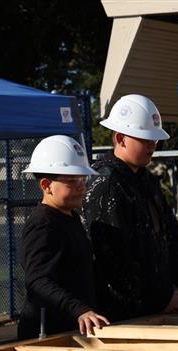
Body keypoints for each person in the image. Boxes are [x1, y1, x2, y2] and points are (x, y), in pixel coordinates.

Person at [83, 94, 178, 322]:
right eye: (145, 139)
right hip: (121, 316)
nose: (153, 145)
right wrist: (160, 299)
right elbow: (113, 261)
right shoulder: (106, 184)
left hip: (152, 309)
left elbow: (171, 242)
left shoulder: (145, 181)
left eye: (155, 139)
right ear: (120, 138)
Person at [18, 135, 109, 340]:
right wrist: (78, 309)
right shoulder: (42, 224)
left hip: (73, 329)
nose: (81, 186)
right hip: (47, 335)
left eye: (83, 179)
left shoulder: (71, 217)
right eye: (71, 180)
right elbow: (38, 280)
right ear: (46, 185)